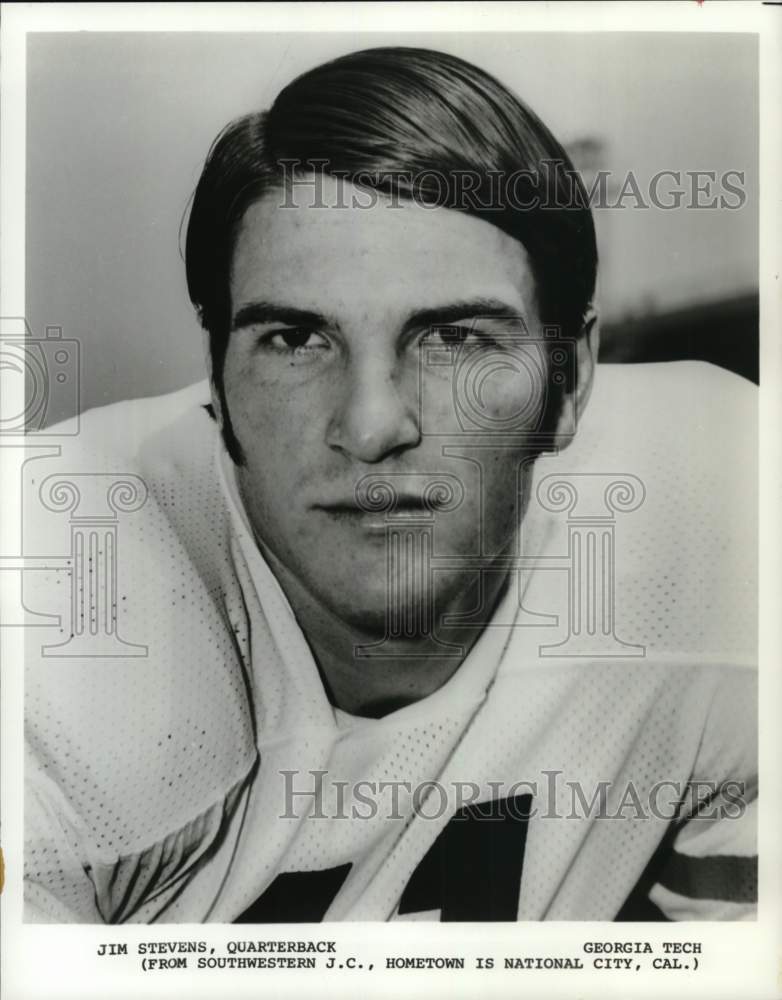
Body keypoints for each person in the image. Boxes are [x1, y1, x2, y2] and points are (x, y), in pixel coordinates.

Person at [24, 46, 756, 923]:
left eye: (453, 339)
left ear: (569, 385)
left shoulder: (726, 526)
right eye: (296, 340)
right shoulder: (60, 600)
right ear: (216, 384)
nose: (372, 426)